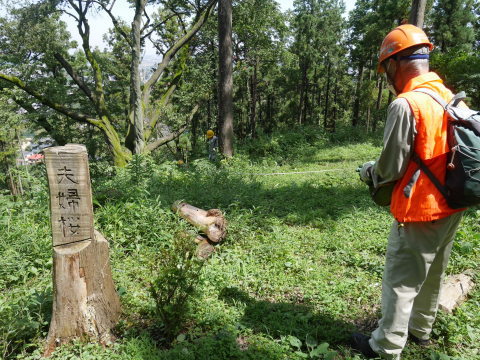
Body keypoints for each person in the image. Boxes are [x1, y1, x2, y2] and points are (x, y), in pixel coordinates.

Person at [352, 24, 466, 359]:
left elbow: (389, 168)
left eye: (386, 67)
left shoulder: (407, 104)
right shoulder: (447, 96)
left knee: (401, 281)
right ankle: (420, 330)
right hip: (452, 204)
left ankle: (384, 347)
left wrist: (367, 172)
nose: (387, 76)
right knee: (433, 273)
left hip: (419, 209)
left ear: (397, 63)